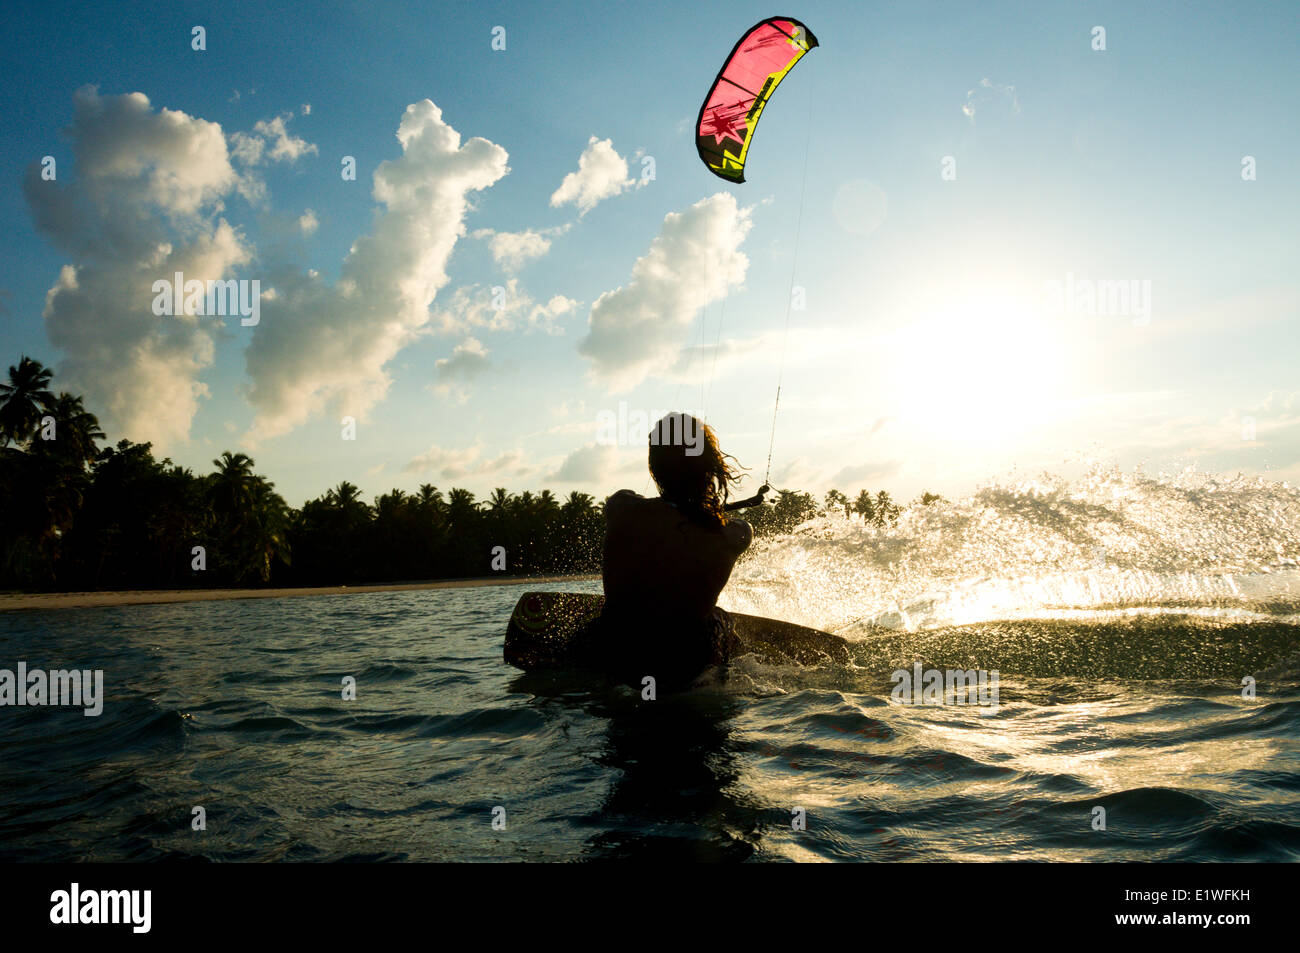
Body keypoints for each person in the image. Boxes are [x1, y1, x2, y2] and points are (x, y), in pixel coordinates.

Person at [571, 412, 770, 691]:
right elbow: (702, 521)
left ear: (655, 466)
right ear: (709, 467)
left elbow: (656, 510)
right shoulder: (734, 535)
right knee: (723, 621)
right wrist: (702, 510)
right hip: (685, 663)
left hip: (619, 653)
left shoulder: (622, 509)